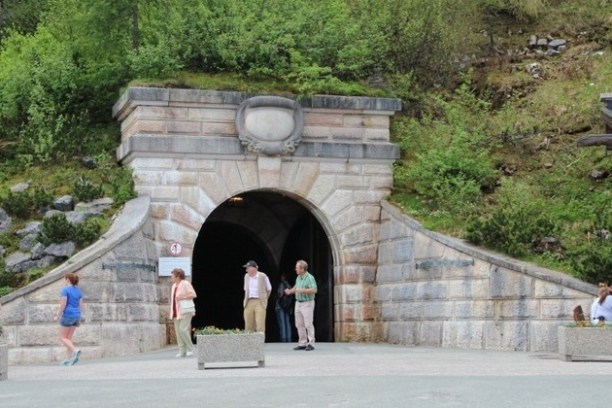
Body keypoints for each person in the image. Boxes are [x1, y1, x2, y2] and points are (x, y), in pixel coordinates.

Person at [285, 259, 317, 351]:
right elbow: (296, 287)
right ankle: (302, 343)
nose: (295, 269)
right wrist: (290, 291)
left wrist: (303, 290)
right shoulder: (298, 277)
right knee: (299, 324)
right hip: (298, 303)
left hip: (307, 303)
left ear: (302, 269)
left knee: (308, 324)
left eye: (297, 268)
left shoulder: (310, 278)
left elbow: (314, 290)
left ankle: (311, 343)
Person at [54, 272, 84, 365]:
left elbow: (63, 304)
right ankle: (68, 359)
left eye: (65, 279)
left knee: (62, 337)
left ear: (68, 279)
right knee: (69, 338)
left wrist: (57, 315)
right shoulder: (78, 291)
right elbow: (81, 306)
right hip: (76, 316)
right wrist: (80, 316)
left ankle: (75, 350)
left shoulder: (65, 290)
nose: (64, 280)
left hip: (68, 315)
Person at [170, 268, 197, 357]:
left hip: (185, 310)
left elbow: (193, 294)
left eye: (173, 276)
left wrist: (183, 297)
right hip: (176, 311)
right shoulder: (174, 286)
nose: (171, 277)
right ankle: (182, 350)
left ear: (178, 276)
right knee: (178, 332)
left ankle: (190, 348)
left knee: (183, 329)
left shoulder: (185, 283)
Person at [242, 260, 272, 334]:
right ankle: (250, 343)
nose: (246, 270)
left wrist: (264, 299)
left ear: (253, 268)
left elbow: (269, 289)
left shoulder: (262, 276)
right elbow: (246, 290)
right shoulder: (246, 276)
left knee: (260, 323)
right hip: (249, 301)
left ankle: (259, 342)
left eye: (248, 268)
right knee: (248, 323)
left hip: (259, 301)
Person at [275, 273, 294, 342]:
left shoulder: (281, 285)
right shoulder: (290, 286)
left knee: (282, 322)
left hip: (280, 306)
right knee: (287, 322)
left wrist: (276, 297)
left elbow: (280, 295)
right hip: (288, 307)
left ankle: (283, 338)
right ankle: (289, 338)